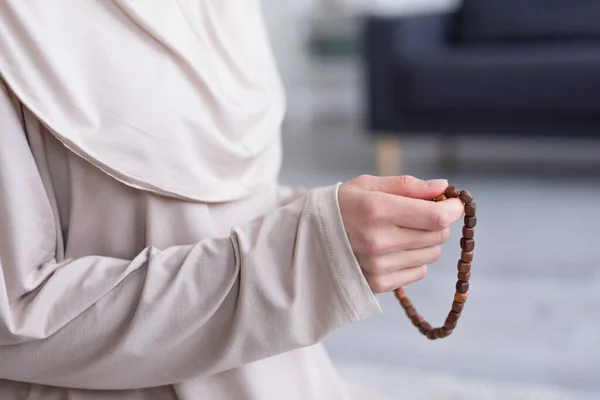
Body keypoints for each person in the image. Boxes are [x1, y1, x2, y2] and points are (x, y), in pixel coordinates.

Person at [0, 1, 464, 399]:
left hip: (288, 379)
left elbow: (208, 203)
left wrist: (334, 221)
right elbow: (14, 320)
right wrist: (302, 259)